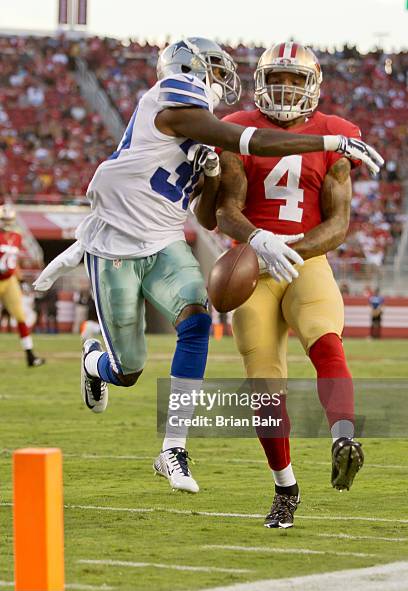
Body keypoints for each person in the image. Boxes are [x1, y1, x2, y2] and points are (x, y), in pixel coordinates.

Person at [34, 37, 383, 495]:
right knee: (151, 370)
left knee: (244, 329)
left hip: (225, 248)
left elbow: (328, 223)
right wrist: (259, 234)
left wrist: (279, 234)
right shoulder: (188, 107)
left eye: (291, 79)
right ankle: (97, 364)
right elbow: (227, 185)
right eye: (213, 72)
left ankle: (183, 447)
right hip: (172, 253)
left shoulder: (209, 126)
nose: (279, 88)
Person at [197, 42, 378, 526]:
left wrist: (290, 250)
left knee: (325, 339)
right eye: (278, 77)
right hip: (253, 261)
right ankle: (286, 487)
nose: (285, 87)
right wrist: (261, 243)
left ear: (312, 85)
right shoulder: (239, 129)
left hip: (305, 257)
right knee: (262, 374)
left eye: (296, 79)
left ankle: (343, 437)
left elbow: (338, 225)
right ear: (260, 81)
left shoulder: (336, 136)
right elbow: (225, 208)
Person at [0, 204, 45, 367]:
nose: (6, 222)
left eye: (8, 219)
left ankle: (30, 355)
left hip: (9, 280)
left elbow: (14, 261)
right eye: (4, 219)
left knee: (20, 316)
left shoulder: (16, 237)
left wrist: (20, 280)